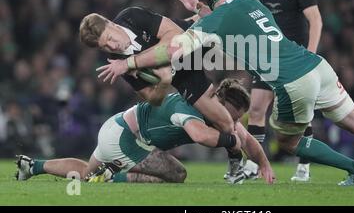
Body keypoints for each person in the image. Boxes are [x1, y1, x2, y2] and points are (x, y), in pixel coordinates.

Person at [98, 0, 354, 186]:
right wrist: (199, 11)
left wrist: (129, 63)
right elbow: (226, 18)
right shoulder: (252, 3)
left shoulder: (215, 21)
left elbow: (172, 49)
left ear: (209, 1)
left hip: (293, 81)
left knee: (292, 145)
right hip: (316, 65)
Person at [173, 0, 323, 182]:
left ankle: (304, 166)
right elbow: (225, 9)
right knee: (255, 109)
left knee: (301, 113)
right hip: (264, 59)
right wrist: (197, 11)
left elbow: (315, 20)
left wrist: (311, 53)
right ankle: (256, 164)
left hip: (293, 57)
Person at [79, 7, 249, 182]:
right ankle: (238, 166)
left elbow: (176, 36)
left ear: (110, 23)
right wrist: (164, 82)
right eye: (105, 46)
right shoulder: (117, 62)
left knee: (232, 28)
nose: (112, 46)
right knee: (226, 124)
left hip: (194, 39)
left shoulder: (131, 17)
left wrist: (133, 62)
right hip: (185, 74)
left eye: (110, 38)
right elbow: (153, 99)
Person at [16, 77, 275, 185]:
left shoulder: (213, 109)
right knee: (177, 173)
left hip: (118, 128)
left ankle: (33, 166)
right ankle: (109, 177)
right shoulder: (190, 108)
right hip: (127, 138)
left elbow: (245, 138)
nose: (232, 122)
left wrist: (263, 163)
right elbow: (200, 136)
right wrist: (231, 142)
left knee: (85, 173)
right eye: (232, 116)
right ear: (221, 103)